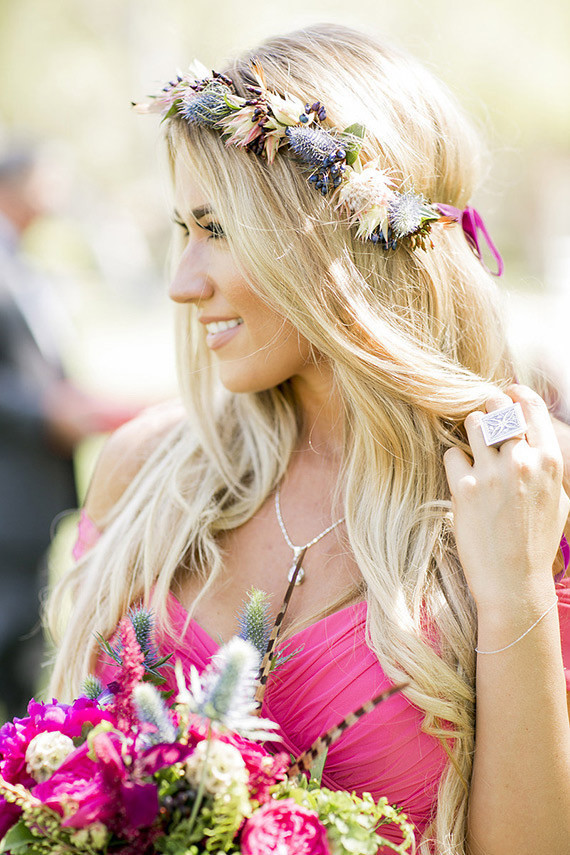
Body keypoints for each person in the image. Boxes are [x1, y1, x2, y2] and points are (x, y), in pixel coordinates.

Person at [46, 24, 570, 855]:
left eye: (217, 228)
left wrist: (515, 592)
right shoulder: (146, 471)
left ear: (339, 231)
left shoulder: (524, 496)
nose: (183, 283)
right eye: (183, 228)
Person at [0, 145, 139, 720]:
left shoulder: (24, 262)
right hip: (9, 487)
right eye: (48, 181)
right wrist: (43, 411)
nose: (58, 195)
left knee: (24, 642)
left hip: (34, 490)